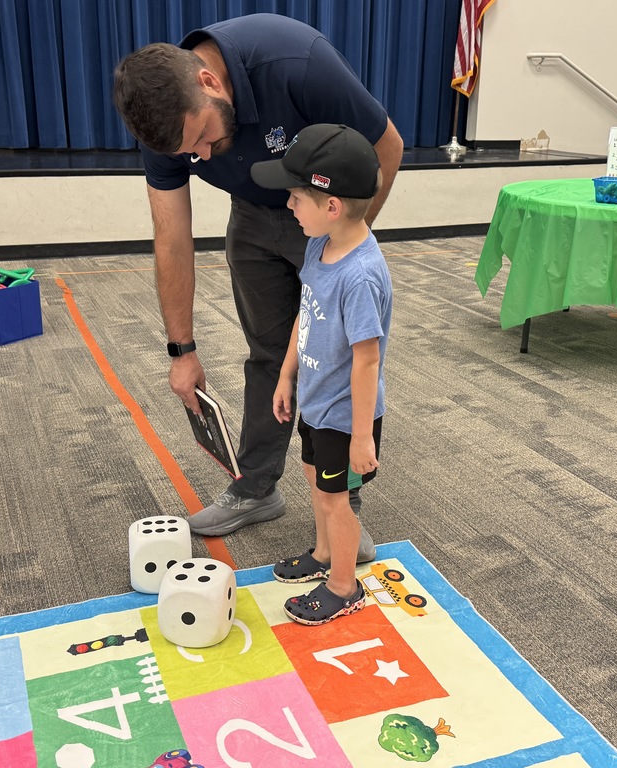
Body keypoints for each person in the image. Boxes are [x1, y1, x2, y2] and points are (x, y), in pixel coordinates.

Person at [113, 14, 404, 558]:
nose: (197, 157)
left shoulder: (296, 60)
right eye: (186, 153)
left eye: (201, 138)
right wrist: (182, 349)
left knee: (336, 356)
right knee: (270, 354)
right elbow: (171, 236)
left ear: (209, 82)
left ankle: (344, 509)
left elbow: (386, 147)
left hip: (322, 214)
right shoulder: (165, 126)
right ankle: (256, 488)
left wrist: (345, 245)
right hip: (253, 215)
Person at [251, 123, 391, 625]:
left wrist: (360, 437)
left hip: (343, 415)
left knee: (337, 502)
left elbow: (367, 360)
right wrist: (287, 374)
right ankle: (325, 554)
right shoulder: (320, 245)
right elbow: (304, 316)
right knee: (315, 483)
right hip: (315, 400)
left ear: (331, 205)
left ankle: (344, 585)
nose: (289, 206)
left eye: (295, 197)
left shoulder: (360, 275)